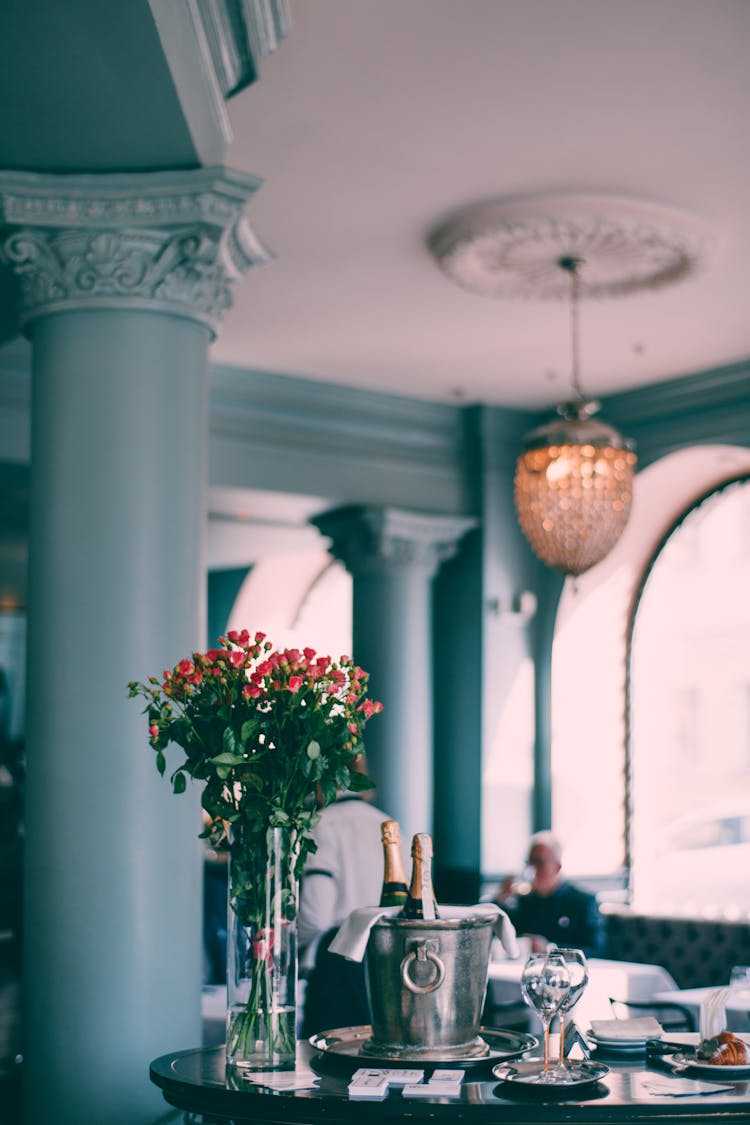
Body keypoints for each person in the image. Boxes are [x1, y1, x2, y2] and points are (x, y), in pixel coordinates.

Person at [298, 775, 394, 1037]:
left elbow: (315, 915)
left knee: (326, 1063)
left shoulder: (320, 825)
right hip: (387, 968)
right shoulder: (389, 825)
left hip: (337, 968)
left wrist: (288, 947)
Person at [495, 830, 605, 958]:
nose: (533, 868)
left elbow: (597, 950)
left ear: (557, 867)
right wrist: (501, 899)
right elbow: (500, 935)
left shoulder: (582, 902)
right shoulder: (524, 902)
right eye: (529, 862)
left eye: (539, 862)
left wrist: (550, 949)